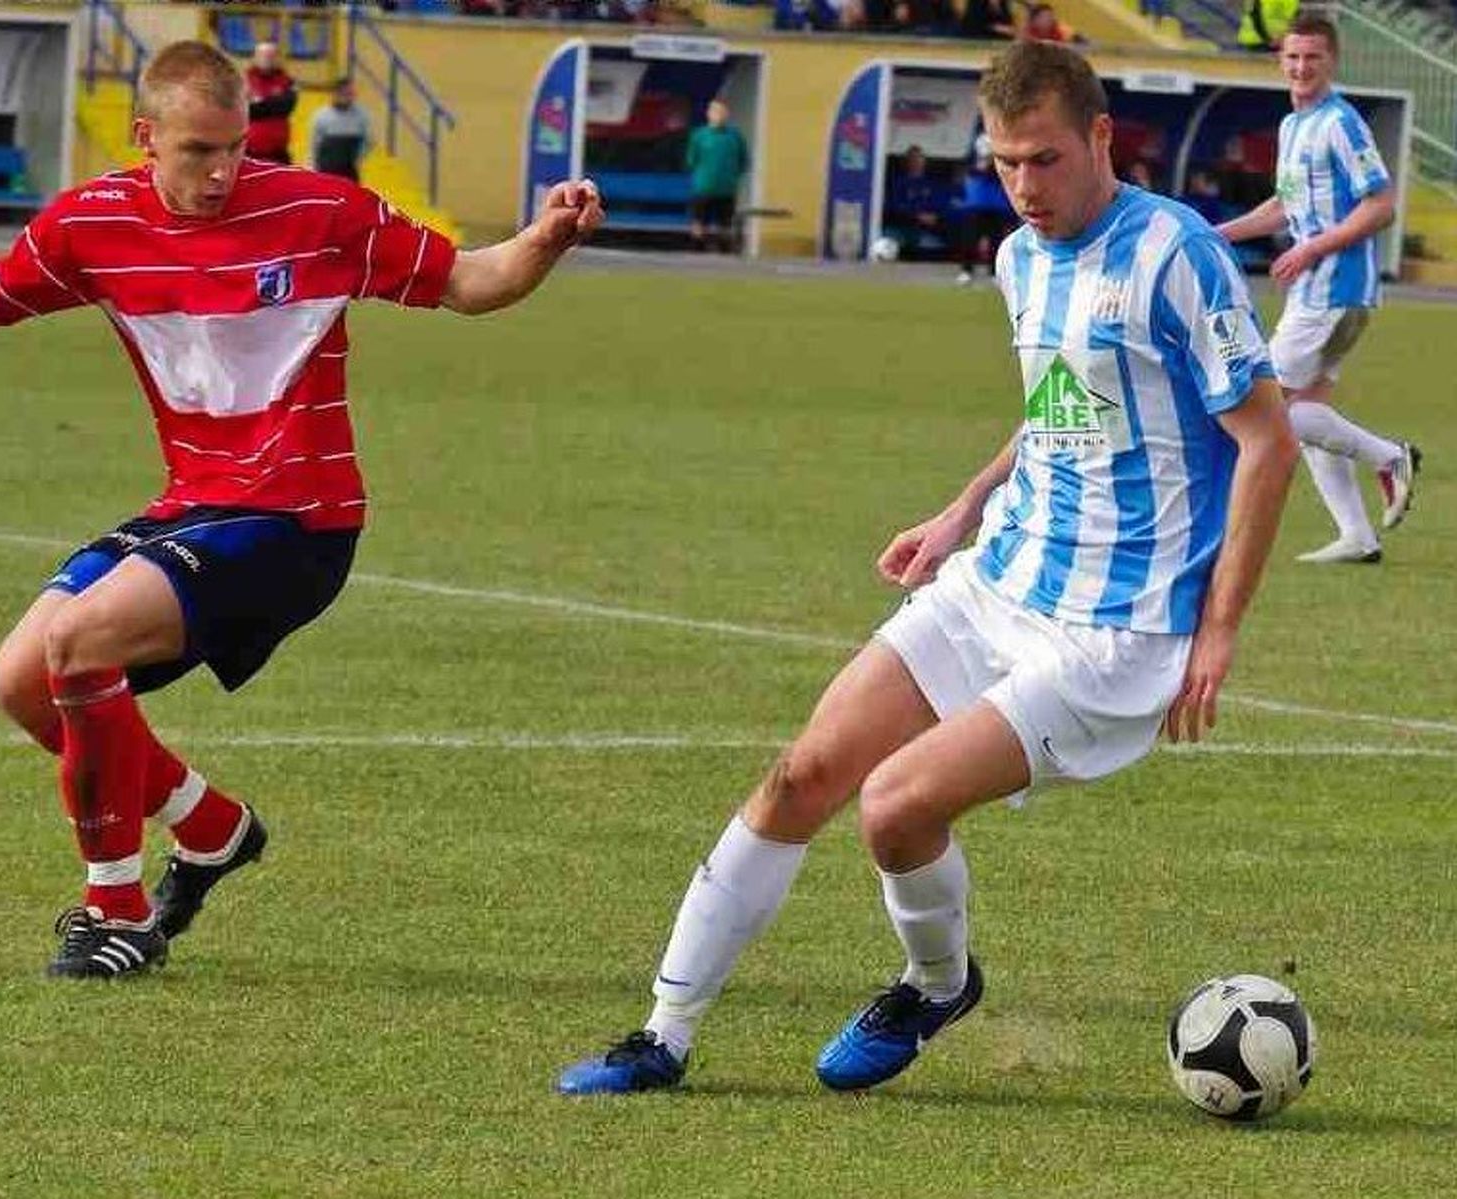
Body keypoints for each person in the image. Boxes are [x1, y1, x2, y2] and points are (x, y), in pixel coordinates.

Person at [556, 39, 1298, 1097]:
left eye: (1041, 160)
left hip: (1114, 628)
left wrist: (1217, 628)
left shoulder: (1174, 255)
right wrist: (964, 505)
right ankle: (662, 1035)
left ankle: (933, 979)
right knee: (800, 773)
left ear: (1098, 138)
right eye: (1002, 163)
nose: (1021, 187)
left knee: (894, 805)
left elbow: (1266, 441)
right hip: (998, 578)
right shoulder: (1015, 258)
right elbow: (1059, 402)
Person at [0, 40, 602, 980]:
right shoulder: (89, 225)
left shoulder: (321, 211)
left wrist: (544, 237)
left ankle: (113, 909)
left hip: (299, 517)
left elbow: (470, 283)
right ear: (144, 140)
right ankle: (211, 828)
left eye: (235, 149)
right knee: (20, 682)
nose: (221, 172)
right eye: (198, 150)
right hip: (194, 504)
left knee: (79, 641)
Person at [1218, 12, 1419, 563]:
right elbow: (1284, 207)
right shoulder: (1292, 126)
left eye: (1313, 57)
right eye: (1293, 57)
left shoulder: (1339, 121)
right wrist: (1215, 234)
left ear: (1332, 61)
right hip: (1319, 288)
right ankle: (1357, 535)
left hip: (1334, 285)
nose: (1302, 66)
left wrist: (1311, 248)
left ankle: (1388, 455)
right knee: (1306, 414)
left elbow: (1380, 205)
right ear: (1281, 60)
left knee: (1263, 411)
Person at [685, 99, 749, 253]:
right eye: (715, 111)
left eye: (722, 112)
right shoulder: (699, 135)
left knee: (725, 225)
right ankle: (697, 250)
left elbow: (743, 160)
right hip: (703, 188)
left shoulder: (735, 136)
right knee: (699, 223)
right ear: (709, 114)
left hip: (727, 189)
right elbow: (691, 160)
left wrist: (733, 176)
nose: (719, 115)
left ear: (727, 114)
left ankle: (724, 253)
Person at [954, 131, 1015, 284]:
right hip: (975, 206)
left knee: (996, 241)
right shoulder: (971, 164)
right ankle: (966, 271)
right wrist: (983, 163)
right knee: (970, 240)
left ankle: (995, 272)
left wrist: (991, 163)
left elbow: (1000, 174)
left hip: (997, 206)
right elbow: (970, 173)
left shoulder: (1001, 165)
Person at [882, 145, 950, 257]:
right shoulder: (898, 183)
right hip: (902, 227)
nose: (917, 161)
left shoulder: (931, 183)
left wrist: (936, 216)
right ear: (908, 161)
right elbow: (894, 206)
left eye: (919, 158)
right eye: (913, 158)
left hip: (926, 231)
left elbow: (941, 204)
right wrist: (916, 215)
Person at [310, 76, 372, 181]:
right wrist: (313, 170)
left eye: (350, 93)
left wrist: (358, 158)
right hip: (326, 172)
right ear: (334, 94)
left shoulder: (362, 115)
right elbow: (315, 145)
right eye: (343, 93)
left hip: (349, 170)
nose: (347, 97)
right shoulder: (321, 115)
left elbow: (368, 141)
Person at [246, 40, 297, 164]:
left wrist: (258, 104)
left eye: (271, 55)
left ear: (277, 58)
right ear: (255, 57)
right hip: (248, 153)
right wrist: (272, 103)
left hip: (278, 154)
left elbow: (285, 107)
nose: (267, 59)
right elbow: (243, 110)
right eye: (263, 55)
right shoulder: (243, 80)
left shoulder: (287, 81)